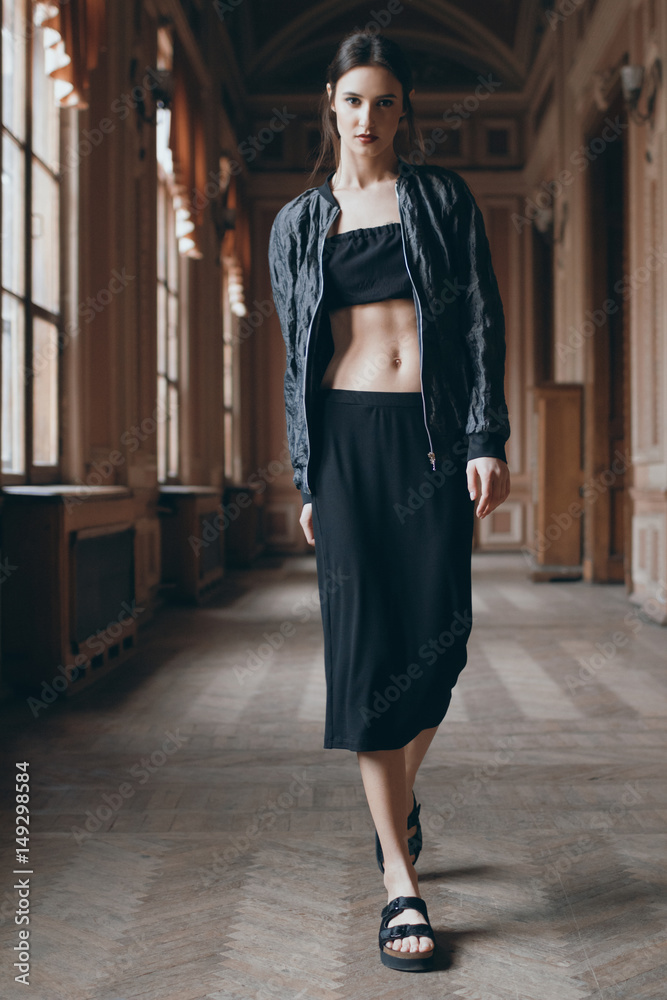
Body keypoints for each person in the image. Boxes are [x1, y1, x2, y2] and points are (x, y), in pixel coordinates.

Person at [268, 29, 510, 972]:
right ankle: (398, 882)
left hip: (433, 438)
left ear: (402, 111)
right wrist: (305, 472)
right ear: (329, 106)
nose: (368, 117)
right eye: (353, 100)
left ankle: (395, 808)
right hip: (348, 443)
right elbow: (296, 362)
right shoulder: (298, 222)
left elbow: (482, 320)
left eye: (385, 101)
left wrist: (484, 437)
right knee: (369, 652)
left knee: (439, 640)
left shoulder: (441, 200)